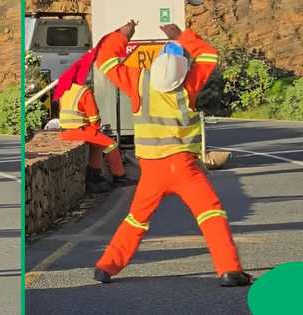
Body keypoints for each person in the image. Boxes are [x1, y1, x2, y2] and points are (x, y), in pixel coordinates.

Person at [93, 20, 252, 286]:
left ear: (155, 65)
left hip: (151, 170)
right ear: (183, 71)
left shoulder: (138, 81)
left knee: (136, 219)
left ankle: (106, 267)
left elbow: (106, 60)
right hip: (183, 167)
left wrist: (122, 35)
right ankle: (229, 270)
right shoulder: (188, 86)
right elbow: (209, 55)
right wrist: (181, 35)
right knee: (211, 214)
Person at [54, 49, 130, 193]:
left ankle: (95, 174)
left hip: (66, 131)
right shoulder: (84, 91)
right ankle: (119, 177)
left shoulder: (66, 90)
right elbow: (94, 116)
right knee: (111, 144)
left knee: (97, 145)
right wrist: (96, 129)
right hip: (80, 130)